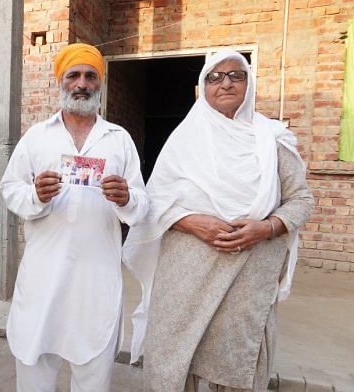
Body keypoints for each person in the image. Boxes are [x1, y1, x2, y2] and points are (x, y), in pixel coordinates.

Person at [122, 50, 314, 391]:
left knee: (235, 364)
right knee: (176, 358)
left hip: (247, 277)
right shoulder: (184, 141)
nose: (225, 83)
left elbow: (301, 199)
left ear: (249, 84)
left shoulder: (272, 140)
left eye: (236, 75)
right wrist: (193, 222)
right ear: (202, 88)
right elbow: (154, 204)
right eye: (215, 77)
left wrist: (265, 228)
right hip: (186, 276)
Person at [0, 43, 149, 392]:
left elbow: (143, 205)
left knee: (93, 379)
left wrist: (126, 198)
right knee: (35, 372)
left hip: (95, 281)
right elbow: (9, 189)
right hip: (44, 277)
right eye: (74, 75)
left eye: (90, 76)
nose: (82, 83)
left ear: (100, 83)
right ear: (61, 82)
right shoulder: (37, 136)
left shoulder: (118, 139)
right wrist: (35, 195)